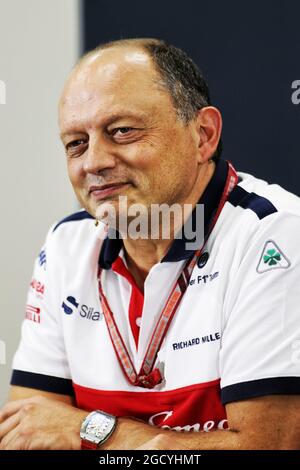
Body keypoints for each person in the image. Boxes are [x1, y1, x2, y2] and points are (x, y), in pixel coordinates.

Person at [0, 38, 300, 450]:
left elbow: (269, 447)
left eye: (122, 131)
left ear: (203, 135)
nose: (94, 162)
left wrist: (87, 431)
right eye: (76, 143)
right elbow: (29, 431)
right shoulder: (67, 244)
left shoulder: (276, 234)